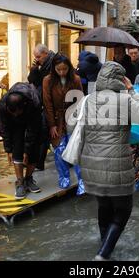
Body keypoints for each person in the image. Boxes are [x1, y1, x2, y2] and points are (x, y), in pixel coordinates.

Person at [68, 61, 139, 261]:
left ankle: (104, 242)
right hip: (116, 164)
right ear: (120, 80)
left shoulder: (88, 100)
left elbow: (73, 127)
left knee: (104, 206)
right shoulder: (124, 100)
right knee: (124, 210)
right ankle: (103, 254)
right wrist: (132, 91)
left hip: (90, 165)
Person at [42, 53, 84, 191]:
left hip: (72, 117)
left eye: (64, 69)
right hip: (56, 119)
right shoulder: (48, 80)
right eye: (58, 69)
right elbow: (47, 104)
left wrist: (79, 120)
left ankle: (82, 180)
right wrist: (52, 125)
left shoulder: (75, 79)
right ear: (54, 68)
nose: (61, 72)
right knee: (59, 150)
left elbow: (80, 101)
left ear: (69, 68)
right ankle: (64, 177)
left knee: (76, 148)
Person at [0, 82, 46, 200]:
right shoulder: (2, 106)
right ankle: (20, 181)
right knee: (17, 149)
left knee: (34, 149)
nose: (15, 114)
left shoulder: (34, 103)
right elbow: (4, 129)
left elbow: (33, 130)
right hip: (14, 126)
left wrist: (27, 150)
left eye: (17, 112)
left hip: (32, 122)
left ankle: (28, 178)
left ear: (23, 106)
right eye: (12, 112)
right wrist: (8, 149)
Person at [28, 44, 55, 171]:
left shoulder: (53, 62)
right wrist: (34, 68)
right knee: (43, 132)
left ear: (45, 53)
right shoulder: (41, 65)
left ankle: (40, 162)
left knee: (49, 132)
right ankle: (39, 162)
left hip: (52, 102)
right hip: (43, 102)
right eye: (35, 57)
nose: (37, 59)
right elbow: (33, 81)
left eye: (38, 56)